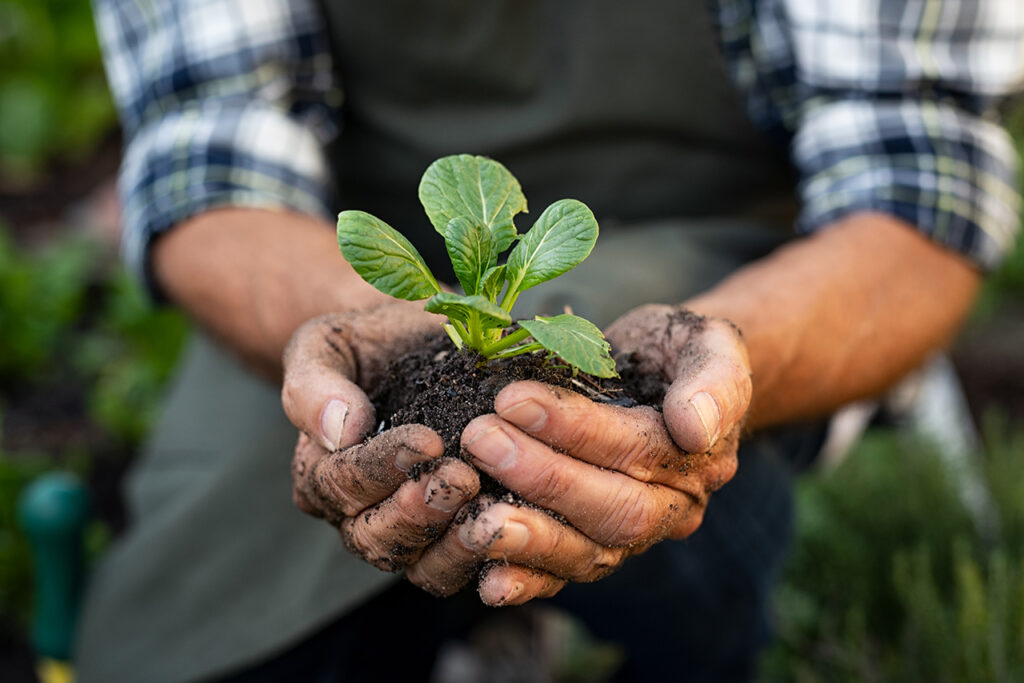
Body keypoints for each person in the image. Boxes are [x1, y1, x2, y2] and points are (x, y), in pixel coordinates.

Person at [78, 1, 1023, 681]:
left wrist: (728, 365)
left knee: (679, 545)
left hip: (731, 261)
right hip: (337, 272)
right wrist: (359, 335)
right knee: (205, 621)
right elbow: (207, 154)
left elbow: (914, 186)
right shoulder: (361, 306)